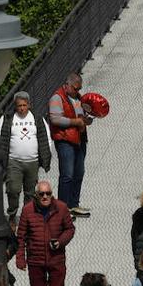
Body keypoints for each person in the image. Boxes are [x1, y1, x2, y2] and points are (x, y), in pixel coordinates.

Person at [15, 179, 74, 286]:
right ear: (36, 195)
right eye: (42, 194)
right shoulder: (27, 211)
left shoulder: (61, 208)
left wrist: (60, 241)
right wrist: (20, 258)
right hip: (36, 261)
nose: (45, 196)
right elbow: (20, 237)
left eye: (48, 193)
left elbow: (70, 229)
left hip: (56, 259)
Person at [0, 91, 52, 222]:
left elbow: (46, 138)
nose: (22, 108)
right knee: (13, 189)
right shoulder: (7, 118)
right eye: (19, 105)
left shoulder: (37, 118)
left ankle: (26, 217)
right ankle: (12, 214)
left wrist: (45, 157)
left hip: (32, 162)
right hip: (13, 162)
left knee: (30, 192)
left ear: (29, 105)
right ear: (15, 106)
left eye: (24, 105)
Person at [49, 72, 92, 217]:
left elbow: (81, 116)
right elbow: (55, 119)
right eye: (75, 88)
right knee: (67, 174)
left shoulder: (78, 98)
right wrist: (75, 122)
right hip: (65, 140)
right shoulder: (57, 97)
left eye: (79, 89)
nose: (78, 91)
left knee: (79, 172)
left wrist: (86, 120)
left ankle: (74, 204)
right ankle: (62, 208)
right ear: (67, 85)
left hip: (79, 139)